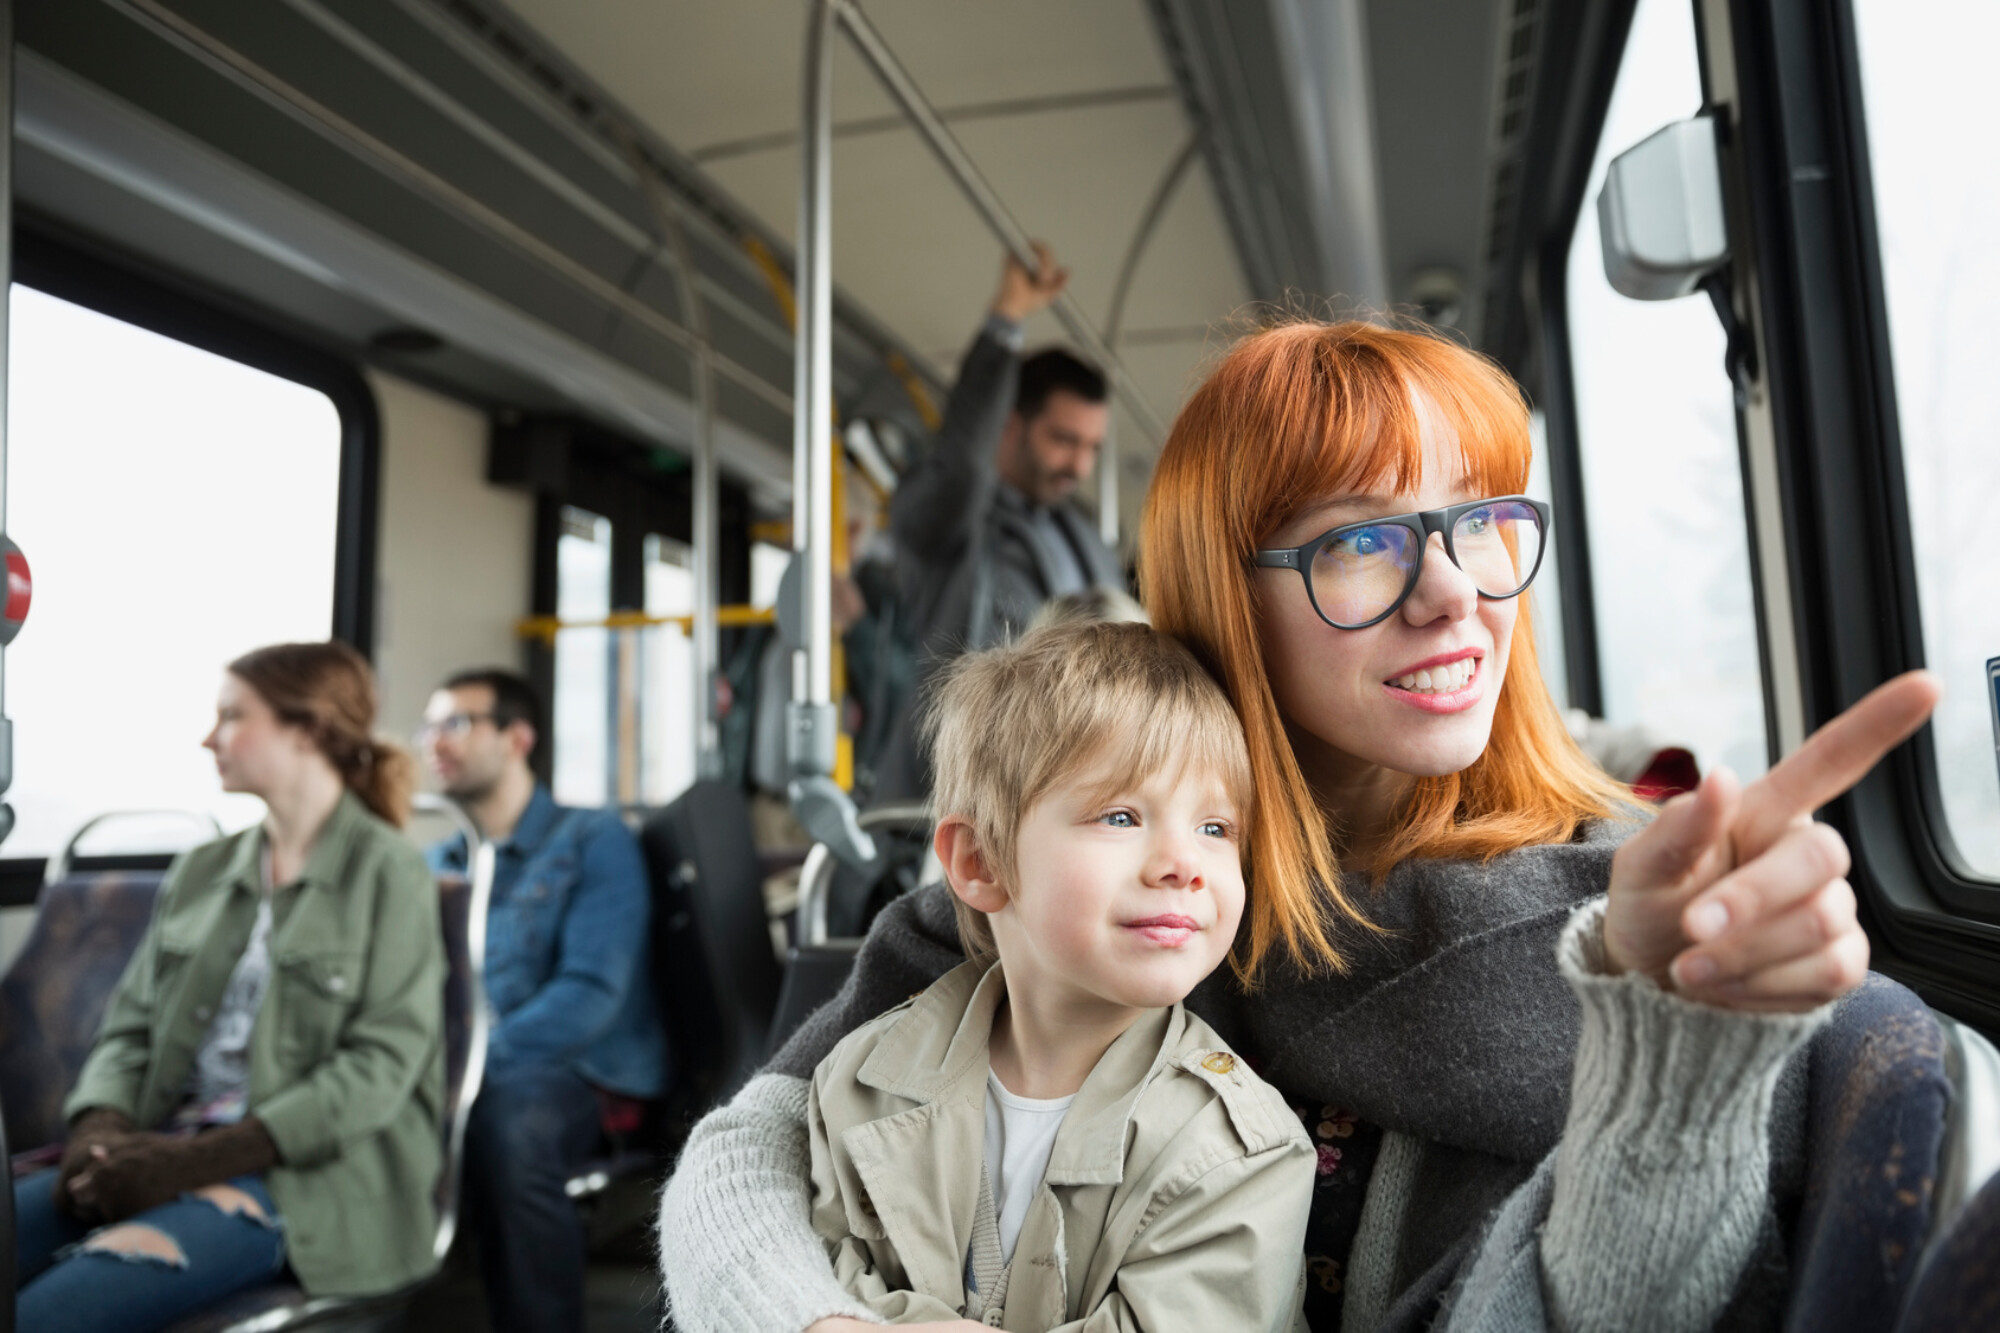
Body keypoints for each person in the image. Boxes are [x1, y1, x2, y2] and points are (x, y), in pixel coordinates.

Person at [657, 317, 1944, 1333]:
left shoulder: (1616, 910)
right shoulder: (1076, 883)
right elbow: (751, 1148)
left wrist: (1680, 1037)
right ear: (1227, 598)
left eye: (1482, 523)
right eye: (1361, 543)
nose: (1452, 595)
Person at [797, 621, 1313, 1329]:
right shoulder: (859, 1086)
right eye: (1122, 814)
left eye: (1217, 828)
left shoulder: (1240, 1155)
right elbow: (807, 1277)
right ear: (981, 862)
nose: (1184, 863)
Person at [14, 641, 445, 1333]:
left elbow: (380, 1067)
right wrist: (100, 1131)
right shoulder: (202, 869)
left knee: (44, 1318)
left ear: (309, 729)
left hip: (300, 1176)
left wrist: (198, 1161)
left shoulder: (389, 872)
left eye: (233, 716)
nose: (208, 737)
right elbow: (129, 1027)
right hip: (159, 1142)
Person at [420, 667, 666, 1333]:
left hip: (582, 1067)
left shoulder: (592, 839)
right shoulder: (437, 861)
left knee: (510, 1124)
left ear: (517, 736)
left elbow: (591, 994)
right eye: (430, 726)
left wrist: (463, 1072)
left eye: (457, 723)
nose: (435, 742)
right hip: (469, 1063)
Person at [892, 244, 1127, 663]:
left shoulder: (1087, 540)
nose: (1080, 466)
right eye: (1063, 440)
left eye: (1092, 447)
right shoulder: (955, 527)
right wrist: (1006, 318)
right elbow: (962, 468)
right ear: (1010, 424)